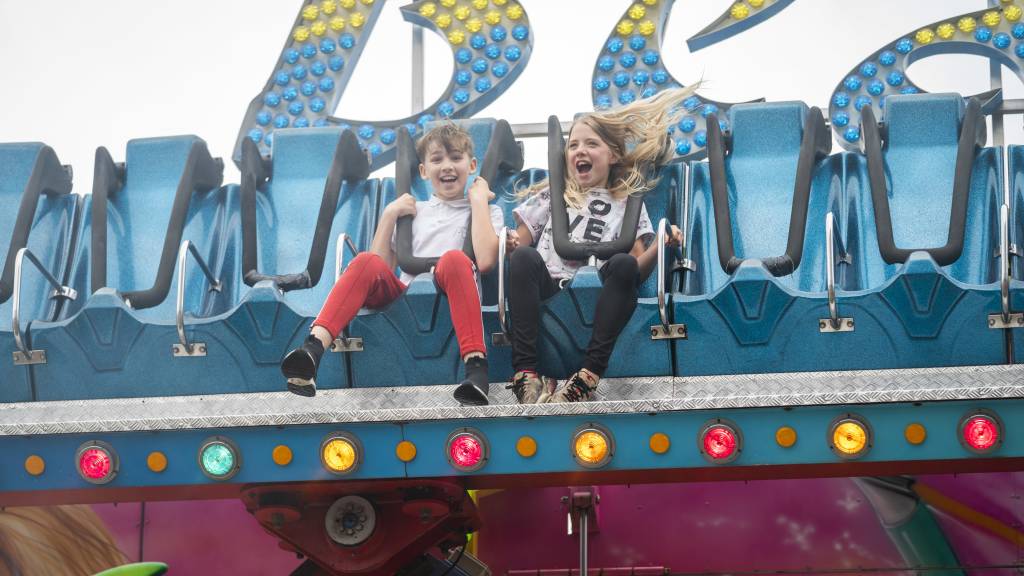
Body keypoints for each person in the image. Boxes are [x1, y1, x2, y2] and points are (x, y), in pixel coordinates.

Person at [281, 122, 504, 405]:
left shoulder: (486, 211)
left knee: (455, 259)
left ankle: (476, 369)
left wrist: (479, 201)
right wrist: (389, 215)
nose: (447, 166)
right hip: (406, 299)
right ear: (423, 171)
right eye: (437, 160)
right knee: (364, 260)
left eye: (456, 158)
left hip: (451, 291)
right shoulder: (413, 214)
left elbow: (484, 260)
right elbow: (377, 269)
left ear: (471, 165)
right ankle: (312, 349)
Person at [505, 88, 691, 404]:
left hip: (602, 289)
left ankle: (588, 375)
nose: (581, 150)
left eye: (592, 144)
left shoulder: (626, 204)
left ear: (613, 155)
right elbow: (518, 243)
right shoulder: (554, 196)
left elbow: (635, 270)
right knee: (523, 258)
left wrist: (661, 243)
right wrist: (511, 243)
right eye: (573, 145)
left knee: (623, 265)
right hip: (553, 287)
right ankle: (526, 373)